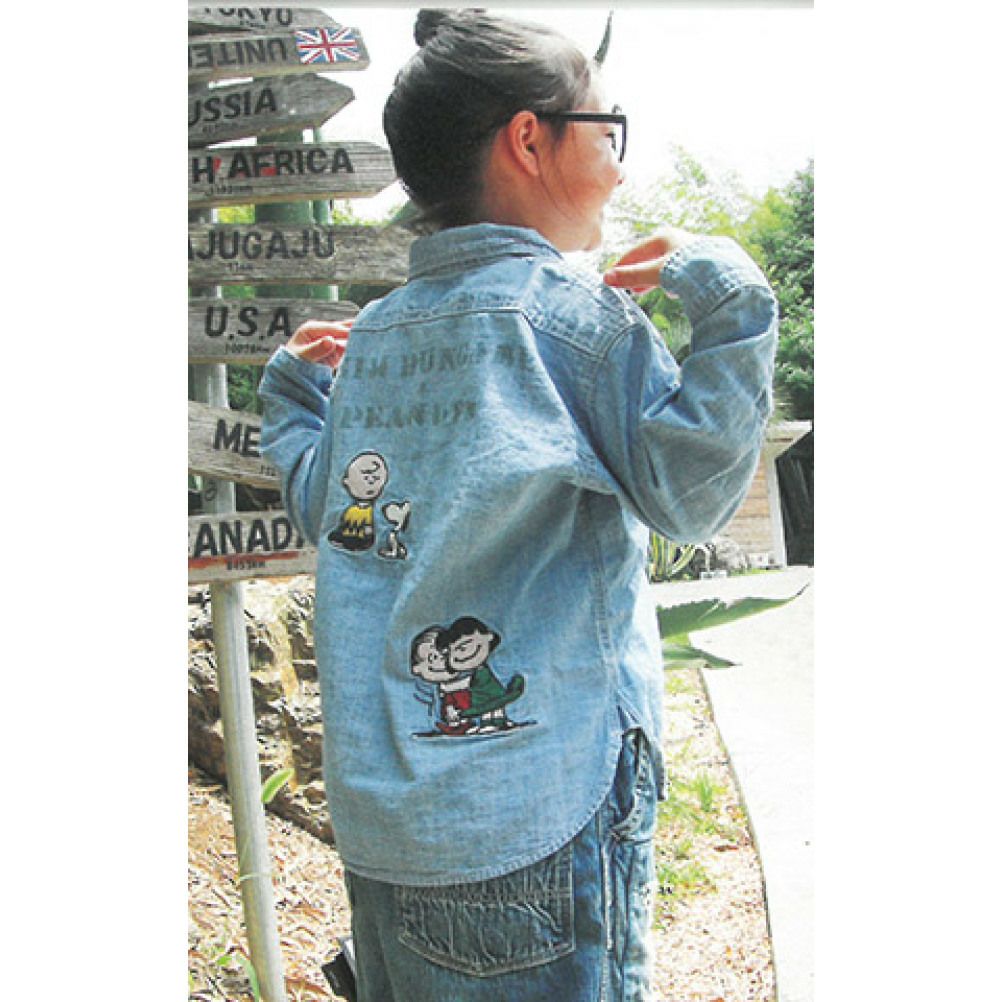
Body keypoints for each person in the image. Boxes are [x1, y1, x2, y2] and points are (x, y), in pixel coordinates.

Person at [259, 8, 778, 1000]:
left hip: (385, 833)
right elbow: (692, 496)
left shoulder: (375, 341)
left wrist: (290, 395)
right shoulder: (570, 324)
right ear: (530, 140)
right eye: (606, 130)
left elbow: (331, 507)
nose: (618, 167)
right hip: (537, 813)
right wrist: (731, 300)